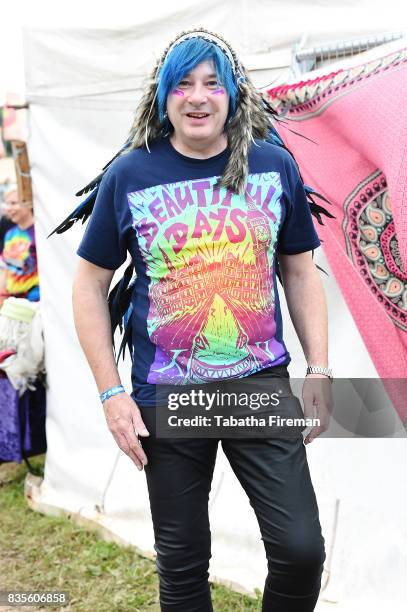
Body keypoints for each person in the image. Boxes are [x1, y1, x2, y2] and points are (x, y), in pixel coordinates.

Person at [71, 29, 332, 612]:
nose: (198, 97)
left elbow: (299, 269)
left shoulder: (272, 164)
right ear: (162, 97)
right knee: (183, 563)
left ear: (234, 94)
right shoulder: (131, 174)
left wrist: (320, 367)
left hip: (258, 384)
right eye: (183, 84)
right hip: (165, 395)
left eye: (214, 83)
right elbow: (89, 283)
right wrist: (112, 393)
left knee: (300, 549)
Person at [0, 184, 40, 307]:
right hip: (12, 302)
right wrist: (1, 294)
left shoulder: (38, 233)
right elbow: (5, 268)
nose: (8, 208)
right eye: (7, 204)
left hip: (35, 301)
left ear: (28, 203)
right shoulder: (10, 234)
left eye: (13, 203)